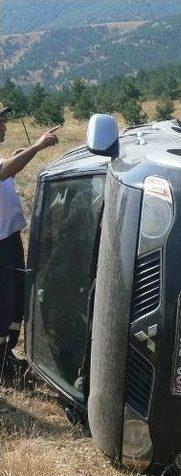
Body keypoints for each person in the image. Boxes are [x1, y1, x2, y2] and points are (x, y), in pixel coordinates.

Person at [0, 103, 59, 383]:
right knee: (4, 302)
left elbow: (5, 169)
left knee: (13, 303)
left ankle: (6, 355)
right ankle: (3, 366)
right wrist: (36, 147)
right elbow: (4, 172)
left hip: (9, 242)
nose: (4, 126)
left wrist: (21, 155)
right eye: (0, 122)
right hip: (1, 248)